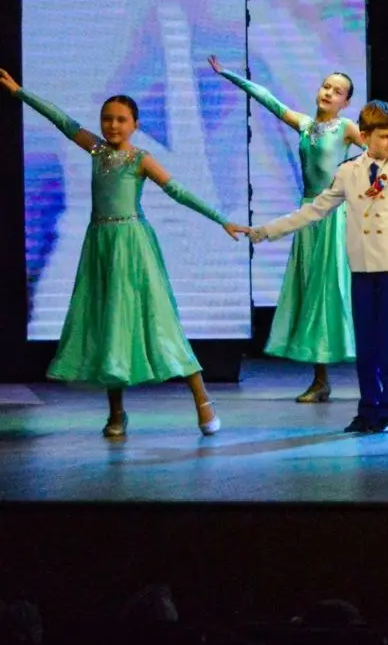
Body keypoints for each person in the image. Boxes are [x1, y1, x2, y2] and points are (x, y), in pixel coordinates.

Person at [4, 71, 239, 437]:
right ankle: (116, 414)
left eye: (121, 120)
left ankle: (202, 401)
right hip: (101, 245)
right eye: (107, 119)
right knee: (109, 325)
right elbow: (62, 121)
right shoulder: (96, 150)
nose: (113, 125)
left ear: (134, 125)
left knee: (160, 321)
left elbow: (177, 191)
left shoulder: (139, 159)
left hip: (133, 245)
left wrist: (221, 219)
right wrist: (20, 92)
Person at [251, 101, 388, 433]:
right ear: (365, 136)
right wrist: (266, 231)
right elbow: (315, 210)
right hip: (362, 265)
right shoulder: (349, 171)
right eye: (385, 136)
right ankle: (367, 409)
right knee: (366, 342)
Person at [208, 55, 358, 403]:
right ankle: (320, 379)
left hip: (333, 216)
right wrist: (228, 74)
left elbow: (382, 152)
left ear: (346, 102)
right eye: (326, 86)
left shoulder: (347, 128)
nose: (328, 93)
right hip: (308, 216)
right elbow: (269, 100)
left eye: (337, 91)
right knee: (309, 293)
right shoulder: (305, 124)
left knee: (332, 292)